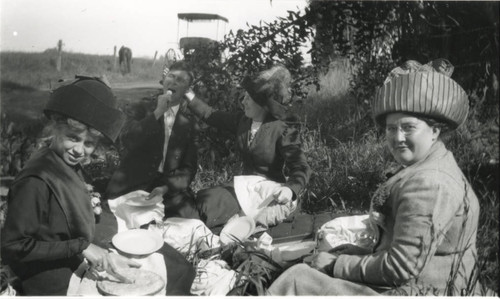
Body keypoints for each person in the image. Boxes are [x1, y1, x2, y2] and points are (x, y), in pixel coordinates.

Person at [267, 59, 480, 296]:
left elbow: (400, 268)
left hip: (425, 291)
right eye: (391, 128)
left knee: (297, 280)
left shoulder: (429, 184)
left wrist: (334, 265)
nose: (398, 137)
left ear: (435, 130)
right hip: (422, 281)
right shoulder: (432, 162)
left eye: (408, 127)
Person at [0, 76, 141, 295]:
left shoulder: (64, 162)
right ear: (55, 128)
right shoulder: (35, 180)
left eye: (89, 144)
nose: (79, 150)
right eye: (73, 138)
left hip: (69, 258)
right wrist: (82, 247)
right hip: (47, 277)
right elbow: (12, 247)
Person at [185, 65, 311, 229]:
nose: (242, 101)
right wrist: (187, 93)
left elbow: (301, 166)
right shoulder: (242, 121)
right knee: (205, 202)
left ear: (262, 105)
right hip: (243, 188)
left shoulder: (282, 129)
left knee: (218, 215)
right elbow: (210, 115)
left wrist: (290, 189)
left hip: (268, 193)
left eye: (248, 98)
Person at [106, 61, 199, 219]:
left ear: (187, 89)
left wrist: (166, 187)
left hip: (166, 187)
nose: (174, 82)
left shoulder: (188, 124)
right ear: (164, 80)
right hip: (134, 181)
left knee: (189, 221)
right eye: (171, 76)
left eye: (180, 80)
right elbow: (127, 139)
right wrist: (157, 112)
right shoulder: (140, 108)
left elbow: (189, 168)